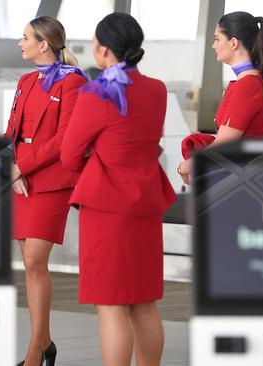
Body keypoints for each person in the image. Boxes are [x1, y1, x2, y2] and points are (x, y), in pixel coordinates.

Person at [61, 13, 176, 366]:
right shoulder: (157, 90)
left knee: (111, 306)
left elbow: (68, 154)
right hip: (145, 204)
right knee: (144, 302)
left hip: (107, 209)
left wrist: (95, 159)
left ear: (104, 49)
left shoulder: (97, 94)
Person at [4, 15, 87, 366]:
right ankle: (47, 342)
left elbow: (64, 139)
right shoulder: (25, 80)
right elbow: (10, 130)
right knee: (29, 263)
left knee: (36, 261)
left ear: (43, 44)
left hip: (50, 180)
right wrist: (10, 166)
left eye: (25, 38)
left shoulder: (73, 83)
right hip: (20, 178)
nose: (20, 43)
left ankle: (34, 352)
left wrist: (23, 166)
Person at [178, 11, 263, 183]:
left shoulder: (247, 86)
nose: (213, 45)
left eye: (217, 39)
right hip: (241, 173)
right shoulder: (254, 82)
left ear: (233, 42)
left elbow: (223, 146)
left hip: (234, 177)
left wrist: (184, 167)